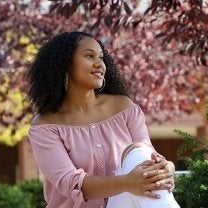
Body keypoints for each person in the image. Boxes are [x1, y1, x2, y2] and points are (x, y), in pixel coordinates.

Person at [27, 31, 179, 208]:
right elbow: (71, 183)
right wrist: (128, 182)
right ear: (65, 64)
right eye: (89, 56)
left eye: (101, 57)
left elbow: (148, 155)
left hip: (127, 202)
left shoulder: (123, 107)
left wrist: (167, 168)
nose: (100, 65)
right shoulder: (44, 127)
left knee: (138, 152)